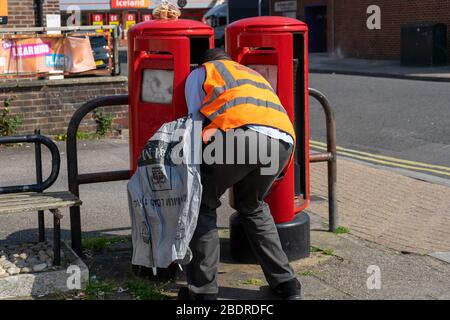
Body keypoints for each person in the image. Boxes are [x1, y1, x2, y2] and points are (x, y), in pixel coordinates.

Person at [179, 48, 302, 300]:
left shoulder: (202, 72)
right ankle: (287, 284)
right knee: (253, 206)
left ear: (205, 62)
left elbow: (194, 120)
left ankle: (203, 293)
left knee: (202, 205)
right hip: (282, 141)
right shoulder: (253, 74)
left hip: (238, 135)